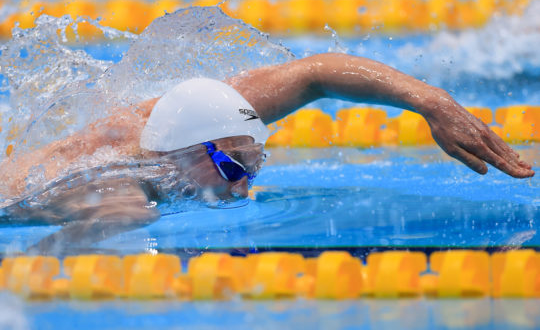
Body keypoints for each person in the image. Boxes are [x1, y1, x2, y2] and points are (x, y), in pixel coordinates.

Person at [0, 53, 535, 253]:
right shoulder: (120, 191)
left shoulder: (200, 120)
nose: (242, 187)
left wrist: (430, 101)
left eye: (250, 167)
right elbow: (34, 272)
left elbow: (314, 73)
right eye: (232, 169)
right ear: (179, 154)